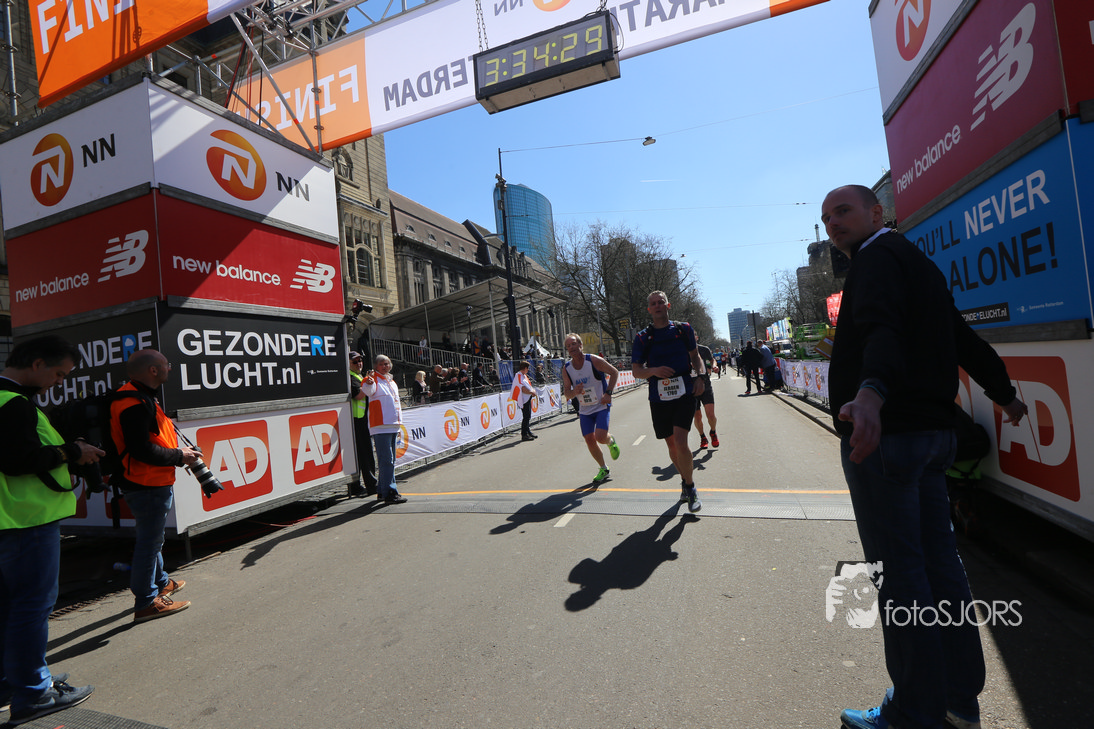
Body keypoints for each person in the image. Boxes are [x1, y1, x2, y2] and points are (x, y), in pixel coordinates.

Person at [822, 184, 1029, 729]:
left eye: (843, 211)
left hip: (887, 439)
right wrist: (1004, 393)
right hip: (934, 436)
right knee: (941, 566)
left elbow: (882, 329)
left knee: (901, 575)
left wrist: (872, 392)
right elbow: (960, 336)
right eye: (826, 218)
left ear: (877, 213)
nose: (832, 224)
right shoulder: (918, 262)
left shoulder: (874, 261)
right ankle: (958, 701)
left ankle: (914, 710)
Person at [0, 336, 98, 724]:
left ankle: (12, 682)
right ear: (37, 363)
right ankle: (34, 694)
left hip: (9, 520)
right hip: (26, 520)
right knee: (30, 607)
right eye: (59, 374)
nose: (59, 382)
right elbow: (19, 460)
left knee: (9, 607)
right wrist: (74, 452)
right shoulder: (14, 404)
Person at [110, 349, 201, 623]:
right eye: (166, 365)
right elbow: (141, 450)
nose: (169, 369)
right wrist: (179, 456)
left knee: (152, 537)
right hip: (146, 482)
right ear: (153, 370)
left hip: (147, 480)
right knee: (149, 543)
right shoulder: (135, 403)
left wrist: (177, 453)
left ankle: (161, 582)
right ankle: (147, 602)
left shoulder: (137, 396)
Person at [631, 290, 706, 513]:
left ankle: (691, 488)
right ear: (649, 309)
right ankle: (684, 481)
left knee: (681, 441)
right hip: (659, 397)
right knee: (672, 444)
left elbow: (695, 356)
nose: (657, 306)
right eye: (653, 303)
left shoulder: (683, 329)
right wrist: (653, 371)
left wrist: (700, 377)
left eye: (660, 302)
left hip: (684, 392)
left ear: (668, 305)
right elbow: (636, 371)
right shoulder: (643, 338)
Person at [561, 334, 620, 484]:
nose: (572, 347)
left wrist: (608, 393)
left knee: (600, 437)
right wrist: (574, 392)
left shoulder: (593, 360)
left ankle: (610, 440)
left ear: (580, 345)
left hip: (601, 405)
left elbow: (614, 372)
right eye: (568, 346)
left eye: (574, 344)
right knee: (589, 439)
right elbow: (567, 393)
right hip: (585, 409)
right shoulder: (567, 369)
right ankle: (603, 468)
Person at [359, 355, 408, 504]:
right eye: (381, 364)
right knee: (387, 460)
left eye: (387, 364)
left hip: (392, 424)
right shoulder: (372, 378)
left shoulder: (391, 381)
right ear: (376, 366)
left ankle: (382, 490)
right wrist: (368, 382)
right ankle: (390, 492)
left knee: (389, 460)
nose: (385, 366)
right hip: (380, 425)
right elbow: (368, 390)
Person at [348, 351, 378, 497]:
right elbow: (359, 395)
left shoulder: (358, 376)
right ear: (348, 363)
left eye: (360, 361)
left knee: (359, 455)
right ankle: (371, 485)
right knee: (365, 454)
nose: (359, 363)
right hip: (357, 420)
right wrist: (368, 382)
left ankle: (356, 486)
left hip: (361, 419)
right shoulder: (351, 377)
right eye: (355, 362)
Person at [692, 333, 719, 449]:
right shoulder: (681, 351)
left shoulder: (704, 349)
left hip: (705, 385)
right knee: (697, 417)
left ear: (697, 338)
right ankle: (702, 437)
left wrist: (714, 366)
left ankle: (713, 432)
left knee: (711, 415)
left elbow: (712, 360)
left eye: (693, 336)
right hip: (691, 389)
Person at [512, 361, 537, 441]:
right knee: (526, 417)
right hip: (523, 399)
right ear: (525, 368)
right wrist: (531, 392)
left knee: (528, 416)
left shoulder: (523, 376)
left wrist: (532, 391)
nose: (528, 370)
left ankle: (528, 431)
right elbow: (522, 388)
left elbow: (528, 386)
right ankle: (524, 434)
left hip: (527, 398)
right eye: (527, 368)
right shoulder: (519, 376)